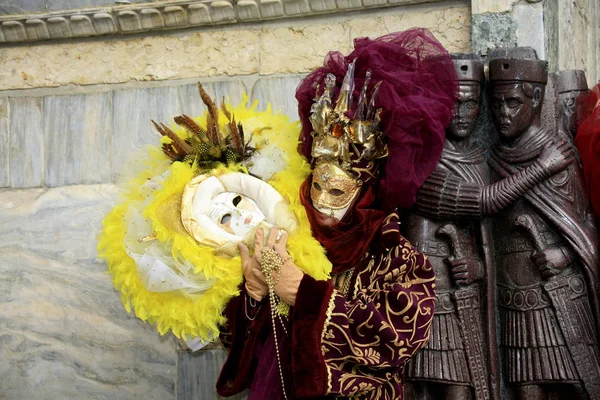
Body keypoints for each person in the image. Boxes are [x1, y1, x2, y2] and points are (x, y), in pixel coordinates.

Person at [216, 28, 459, 400]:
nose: (323, 204)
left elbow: (393, 343)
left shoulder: (395, 259)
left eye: (338, 191)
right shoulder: (286, 236)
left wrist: (305, 293)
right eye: (318, 187)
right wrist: (251, 295)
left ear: (364, 191)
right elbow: (233, 342)